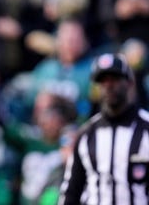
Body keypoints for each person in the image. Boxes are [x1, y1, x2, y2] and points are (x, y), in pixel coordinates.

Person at [58, 53, 149, 204]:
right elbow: (72, 189)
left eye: (114, 79)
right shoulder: (86, 134)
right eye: (102, 81)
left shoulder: (146, 129)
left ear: (129, 83)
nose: (108, 85)